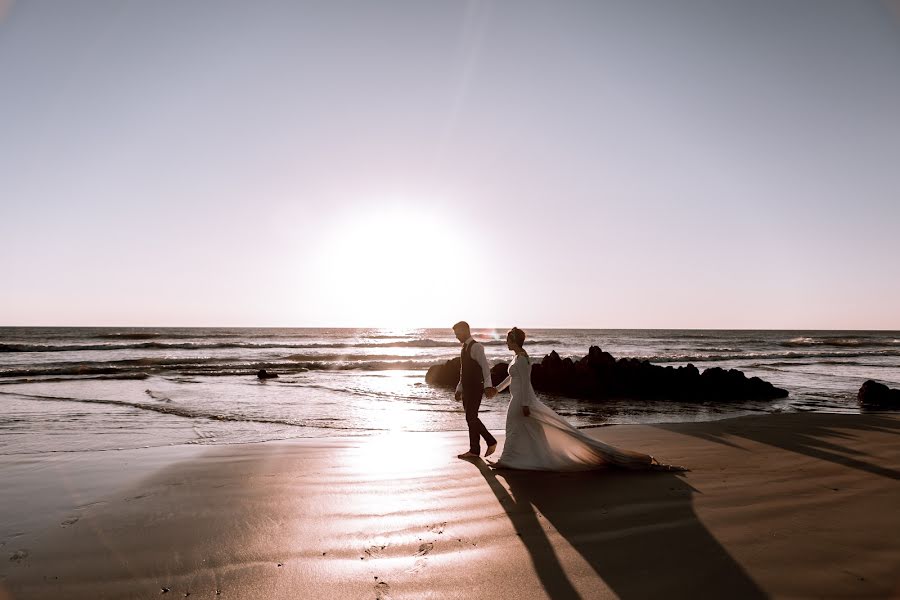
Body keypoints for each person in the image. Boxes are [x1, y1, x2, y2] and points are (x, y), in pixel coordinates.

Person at [490, 327, 686, 471]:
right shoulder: (517, 357)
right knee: (524, 430)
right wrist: (497, 390)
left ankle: (507, 460)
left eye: (508, 339)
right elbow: (511, 378)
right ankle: (518, 458)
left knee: (514, 428)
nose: (506, 342)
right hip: (517, 399)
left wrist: (525, 404)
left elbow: (525, 382)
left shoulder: (523, 359)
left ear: (514, 340)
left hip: (522, 400)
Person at [452, 321, 498, 459]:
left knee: (471, 417)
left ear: (466, 331)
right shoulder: (463, 348)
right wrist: (459, 389)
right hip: (466, 388)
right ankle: (474, 450)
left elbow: (485, 367)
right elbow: (463, 371)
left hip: (475, 388)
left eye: (458, 333)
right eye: (455, 334)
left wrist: (488, 386)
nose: (456, 336)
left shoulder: (476, 347)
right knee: (470, 418)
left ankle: (490, 441)